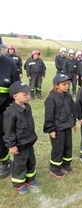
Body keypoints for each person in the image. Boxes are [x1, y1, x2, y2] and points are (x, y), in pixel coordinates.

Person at [3, 81, 38, 194]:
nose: (29, 96)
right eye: (25, 95)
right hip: (19, 146)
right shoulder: (10, 112)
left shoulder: (28, 107)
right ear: (15, 96)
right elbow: (8, 131)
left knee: (31, 161)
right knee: (20, 165)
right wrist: (11, 145)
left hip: (29, 142)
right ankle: (19, 183)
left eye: (29, 94)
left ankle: (30, 178)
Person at [43, 73, 77, 178]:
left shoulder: (67, 96)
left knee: (68, 146)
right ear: (56, 85)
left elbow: (72, 110)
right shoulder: (51, 99)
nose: (67, 86)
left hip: (67, 126)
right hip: (57, 129)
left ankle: (65, 164)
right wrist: (51, 130)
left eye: (68, 84)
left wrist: (73, 123)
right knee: (58, 148)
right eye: (64, 84)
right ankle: (54, 168)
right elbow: (49, 116)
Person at [0, 36, 20, 179]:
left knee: (2, 138)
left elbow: (16, 87)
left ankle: (4, 162)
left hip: (3, 110)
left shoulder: (9, 64)